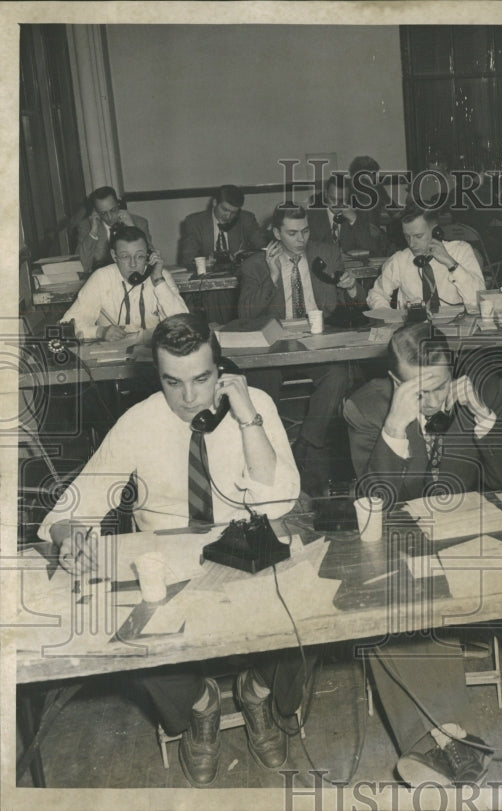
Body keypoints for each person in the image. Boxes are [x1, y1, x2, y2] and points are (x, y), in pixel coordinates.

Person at [38, 313, 304, 788]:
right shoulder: (138, 422)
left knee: (310, 605)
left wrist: (247, 418)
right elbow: (69, 510)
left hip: (246, 555)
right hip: (170, 571)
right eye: (172, 382)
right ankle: (199, 703)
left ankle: (257, 691)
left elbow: (280, 500)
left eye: (202, 380)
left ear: (221, 370)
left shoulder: (254, 405)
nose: (188, 398)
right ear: (156, 375)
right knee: (117, 627)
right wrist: (69, 537)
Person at [343, 321, 502, 786]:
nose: (439, 402)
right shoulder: (366, 410)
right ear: (397, 384)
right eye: (422, 391)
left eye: (442, 386)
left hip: (474, 543)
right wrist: (396, 427)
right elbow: (373, 507)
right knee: (396, 592)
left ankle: (438, 743)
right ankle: (446, 739)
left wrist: (485, 423)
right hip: (405, 549)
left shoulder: (481, 392)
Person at [238, 202, 363, 494]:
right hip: (274, 347)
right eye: (292, 233)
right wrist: (271, 277)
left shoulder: (327, 254)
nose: (301, 240)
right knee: (261, 383)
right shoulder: (255, 264)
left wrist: (352, 287)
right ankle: (270, 449)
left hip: (316, 341)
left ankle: (308, 445)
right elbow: (245, 315)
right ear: (276, 233)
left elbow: (355, 306)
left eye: (305, 231)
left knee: (337, 373)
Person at [61, 225, 187, 343]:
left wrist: (159, 281)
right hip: (112, 354)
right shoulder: (101, 277)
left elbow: (183, 324)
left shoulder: (161, 276)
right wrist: (100, 331)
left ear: (149, 255)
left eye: (139, 256)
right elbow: (67, 325)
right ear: (114, 256)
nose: (133, 264)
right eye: (125, 257)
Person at [367, 206, 485, 312]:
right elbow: (376, 294)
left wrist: (451, 263)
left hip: (456, 326)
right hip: (416, 330)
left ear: (435, 232)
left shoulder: (460, 251)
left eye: (418, 236)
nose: (412, 244)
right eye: (407, 237)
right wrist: (389, 316)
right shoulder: (399, 260)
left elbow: (477, 300)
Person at [178, 184, 268, 270]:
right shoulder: (194, 222)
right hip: (207, 276)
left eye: (234, 212)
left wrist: (245, 255)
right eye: (224, 210)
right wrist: (203, 262)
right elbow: (188, 258)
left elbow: (263, 249)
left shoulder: (247, 219)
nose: (228, 216)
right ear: (214, 202)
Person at [76, 186, 153, 274]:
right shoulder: (86, 227)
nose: (109, 217)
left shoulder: (139, 223)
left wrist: (132, 228)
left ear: (119, 205)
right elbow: (82, 267)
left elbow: (151, 259)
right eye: (103, 213)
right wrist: (93, 232)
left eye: (113, 210)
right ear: (95, 211)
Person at [306, 174, 388, 255]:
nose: (338, 204)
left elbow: (372, 248)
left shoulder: (358, 216)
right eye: (333, 199)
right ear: (326, 195)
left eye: (343, 200)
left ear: (348, 197)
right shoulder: (311, 218)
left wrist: (354, 220)